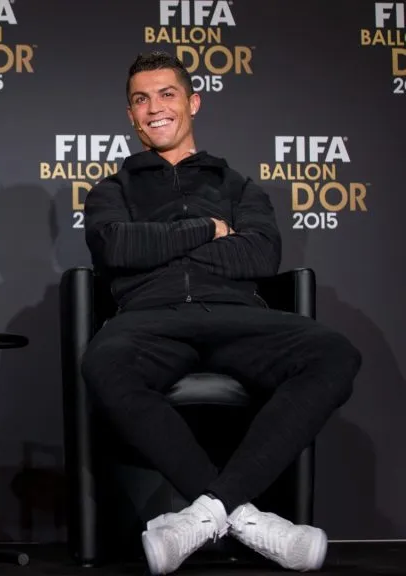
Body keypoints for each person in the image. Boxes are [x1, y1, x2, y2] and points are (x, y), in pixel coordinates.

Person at [81, 51, 361, 575]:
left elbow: (259, 255)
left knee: (333, 352)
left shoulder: (238, 186)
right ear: (130, 115)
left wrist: (160, 245)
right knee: (103, 361)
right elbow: (116, 249)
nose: (154, 108)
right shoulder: (111, 191)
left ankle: (208, 514)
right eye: (141, 99)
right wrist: (207, 230)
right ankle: (251, 520)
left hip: (238, 315)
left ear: (193, 101)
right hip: (151, 316)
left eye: (167, 94)